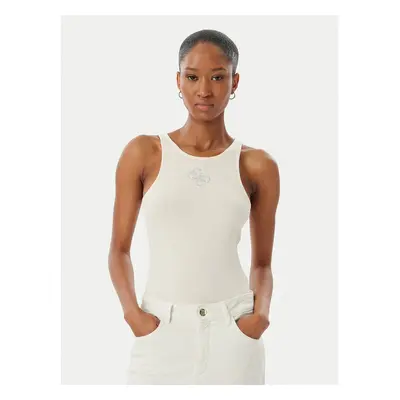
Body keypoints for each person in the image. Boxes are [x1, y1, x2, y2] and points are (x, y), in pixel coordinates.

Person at [108, 29, 280, 385]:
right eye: (192, 77)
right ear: (178, 80)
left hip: (233, 335)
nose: (204, 90)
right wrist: (133, 316)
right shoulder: (144, 153)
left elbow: (262, 263)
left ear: (234, 82)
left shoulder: (257, 165)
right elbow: (119, 250)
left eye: (217, 77)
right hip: (160, 333)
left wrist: (259, 317)